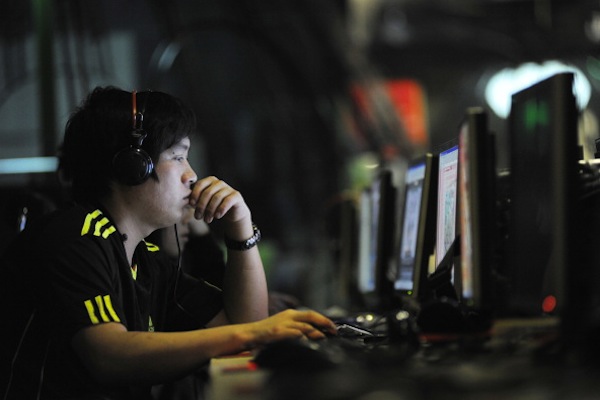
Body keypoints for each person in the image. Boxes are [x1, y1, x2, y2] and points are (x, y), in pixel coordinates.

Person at [0, 86, 336, 400]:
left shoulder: (144, 260)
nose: (192, 175)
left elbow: (244, 321)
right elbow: (110, 356)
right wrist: (254, 333)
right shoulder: (74, 239)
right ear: (133, 166)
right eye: (177, 157)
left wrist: (240, 226)